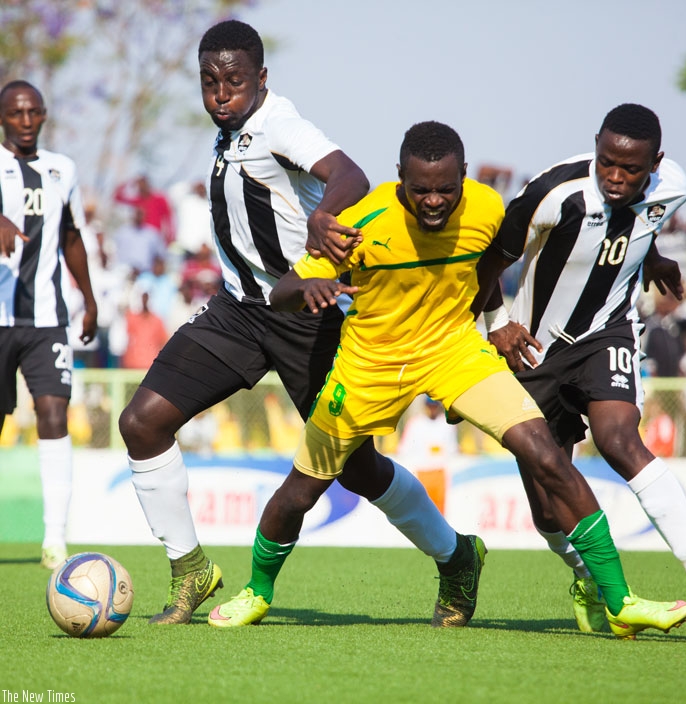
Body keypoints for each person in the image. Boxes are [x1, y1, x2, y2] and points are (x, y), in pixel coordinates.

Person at [210, 119, 686, 640]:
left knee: (545, 452)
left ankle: (620, 599)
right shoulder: (361, 223)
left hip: (454, 350)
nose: (435, 200)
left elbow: (493, 267)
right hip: (371, 365)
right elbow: (281, 291)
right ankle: (257, 591)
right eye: (420, 190)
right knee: (301, 492)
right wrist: (313, 285)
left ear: (465, 175)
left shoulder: (487, 207)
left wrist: (499, 321)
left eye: (446, 188)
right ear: (399, 179)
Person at [118, 20, 480, 627]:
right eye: (210, 83)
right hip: (237, 313)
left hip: (306, 316)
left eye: (234, 81)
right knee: (142, 422)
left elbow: (351, 175)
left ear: (261, 80)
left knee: (359, 468)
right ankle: (191, 572)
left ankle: (457, 554)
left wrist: (324, 220)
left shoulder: (278, 123)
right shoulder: (227, 136)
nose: (221, 94)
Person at [472, 103, 686, 631]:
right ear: (595, 146)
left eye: (631, 169)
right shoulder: (554, 193)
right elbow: (489, 262)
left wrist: (653, 256)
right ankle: (585, 576)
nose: (616, 178)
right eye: (606, 163)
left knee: (619, 439)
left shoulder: (674, 186)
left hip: (607, 332)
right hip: (531, 347)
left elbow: (643, 223)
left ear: (656, 163)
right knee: (548, 505)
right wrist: (498, 321)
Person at [0, 80, 98, 568]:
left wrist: (90, 297)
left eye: (33, 111)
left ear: (43, 116)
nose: (25, 120)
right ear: (2, 117)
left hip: (46, 320)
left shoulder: (63, 169)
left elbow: (72, 236)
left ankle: (54, 539)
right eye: (16, 112)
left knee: (54, 414)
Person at [114, 173, 176, 246]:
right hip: (140, 238)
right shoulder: (137, 200)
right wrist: (130, 182)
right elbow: (118, 197)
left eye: (142, 183)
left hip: (155, 237)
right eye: (139, 184)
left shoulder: (159, 198)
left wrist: (171, 235)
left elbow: (169, 217)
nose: (140, 186)